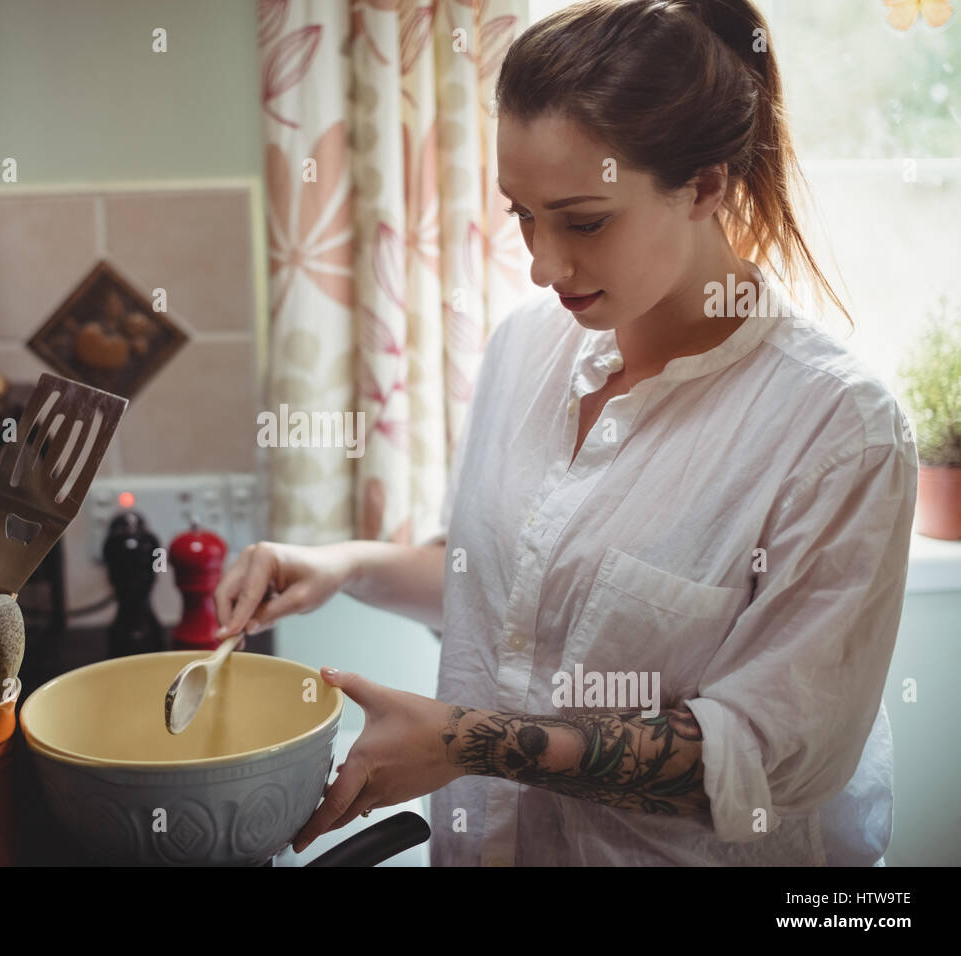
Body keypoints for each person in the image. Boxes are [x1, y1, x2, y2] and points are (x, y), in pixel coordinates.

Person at [213, 0, 917, 866]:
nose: (543, 265)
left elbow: (767, 761)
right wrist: (340, 567)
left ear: (705, 185)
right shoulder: (527, 347)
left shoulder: (837, 430)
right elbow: (513, 593)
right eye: (521, 214)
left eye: (584, 221)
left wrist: (471, 742)